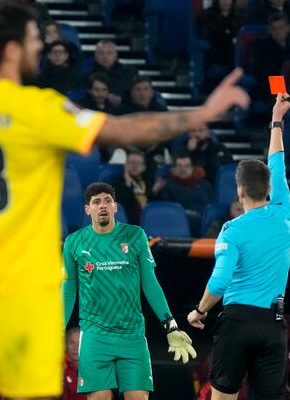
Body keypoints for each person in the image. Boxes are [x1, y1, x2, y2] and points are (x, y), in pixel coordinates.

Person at [0, 2, 249, 399]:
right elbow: (121, 129)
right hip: (26, 291)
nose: (39, 49)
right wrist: (203, 112)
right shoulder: (39, 108)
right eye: (33, 41)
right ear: (11, 49)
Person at [187, 93, 290, 400]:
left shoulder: (231, 230)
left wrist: (199, 311)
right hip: (273, 325)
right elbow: (278, 162)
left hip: (237, 323)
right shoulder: (283, 212)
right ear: (269, 188)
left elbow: (220, 281)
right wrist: (277, 121)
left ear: (240, 190)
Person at [62, 182, 196, 399]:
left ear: (115, 206)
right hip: (95, 337)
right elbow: (68, 291)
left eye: (107, 201)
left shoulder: (135, 236)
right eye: (96, 202)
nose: (102, 206)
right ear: (88, 209)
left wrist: (171, 326)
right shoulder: (74, 242)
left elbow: (150, 284)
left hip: (132, 336)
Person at [249, 13, 290, 102]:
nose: (277, 32)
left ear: (288, 28)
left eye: (281, 28)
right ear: (269, 30)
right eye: (274, 29)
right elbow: (258, 71)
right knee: (285, 101)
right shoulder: (260, 46)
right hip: (268, 89)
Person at [87, 40, 137, 107]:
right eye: (101, 53)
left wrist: (122, 100)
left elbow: (137, 93)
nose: (105, 56)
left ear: (116, 55)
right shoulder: (87, 74)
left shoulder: (129, 72)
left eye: (109, 53)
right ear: (95, 55)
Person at [111, 150, 155, 225]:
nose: (134, 166)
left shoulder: (150, 184)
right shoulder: (116, 184)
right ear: (125, 165)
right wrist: (127, 184)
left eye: (138, 163)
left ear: (144, 167)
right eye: (131, 162)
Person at [200, 0, 245, 71]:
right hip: (217, 53)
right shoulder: (209, 15)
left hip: (235, 55)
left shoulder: (239, 15)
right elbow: (212, 34)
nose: (225, 2)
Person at [63, 327, 84, 400]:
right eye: (72, 343)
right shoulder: (60, 370)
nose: (76, 347)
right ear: (65, 346)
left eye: (79, 343)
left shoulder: (94, 369)